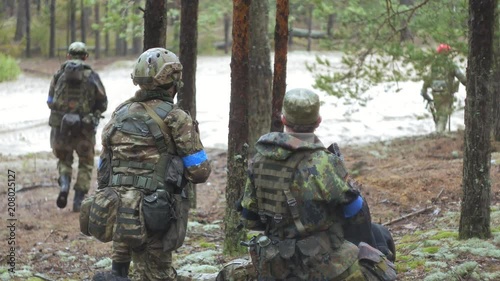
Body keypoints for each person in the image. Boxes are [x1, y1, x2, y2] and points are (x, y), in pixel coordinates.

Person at [238, 88, 396, 281]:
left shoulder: (259, 160)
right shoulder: (324, 162)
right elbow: (356, 212)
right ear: (318, 121)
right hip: (321, 263)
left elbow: (250, 219)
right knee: (380, 236)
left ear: (283, 119)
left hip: (274, 262)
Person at [93, 48, 211, 280]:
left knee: (123, 268)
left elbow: (103, 171)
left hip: (118, 209)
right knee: (157, 275)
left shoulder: (120, 113)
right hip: (155, 212)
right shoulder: (176, 118)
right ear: (173, 81)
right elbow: (200, 172)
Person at [47, 41, 107, 212]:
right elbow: (103, 103)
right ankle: (78, 200)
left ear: (68, 56)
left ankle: (64, 185)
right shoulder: (92, 76)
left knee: (64, 159)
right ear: (86, 57)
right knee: (86, 163)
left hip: (61, 129)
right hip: (84, 129)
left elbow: (50, 102)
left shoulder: (58, 75)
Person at [420, 43, 466, 133]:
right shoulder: (451, 65)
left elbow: (428, 79)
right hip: (446, 94)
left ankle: (438, 132)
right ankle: (439, 133)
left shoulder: (434, 66)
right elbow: (462, 78)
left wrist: (425, 92)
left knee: (439, 114)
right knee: (443, 115)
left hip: (435, 93)